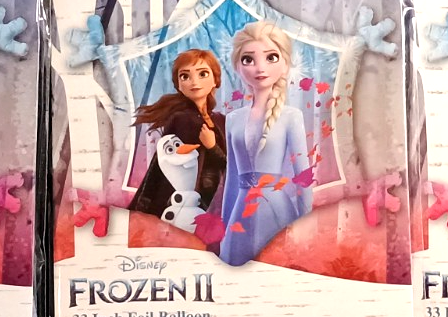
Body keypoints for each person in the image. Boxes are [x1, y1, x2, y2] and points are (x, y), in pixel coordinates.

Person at [218, 22, 312, 265]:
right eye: (248, 59)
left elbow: (303, 176)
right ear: (237, 66)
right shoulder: (233, 119)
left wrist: (306, 225)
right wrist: (224, 227)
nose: (260, 68)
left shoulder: (291, 116)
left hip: (277, 210)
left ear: (285, 65)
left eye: (271, 57)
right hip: (241, 211)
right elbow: (232, 178)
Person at [129, 49, 228, 228]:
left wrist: (212, 147)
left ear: (215, 80)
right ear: (178, 85)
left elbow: (229, 165)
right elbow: (161, 164)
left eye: (203, 74)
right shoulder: (182, 119)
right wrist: (144, 203)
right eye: (185, 76)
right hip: (184, 203)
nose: (194, 82)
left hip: (214, 200)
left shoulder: (221, 120)